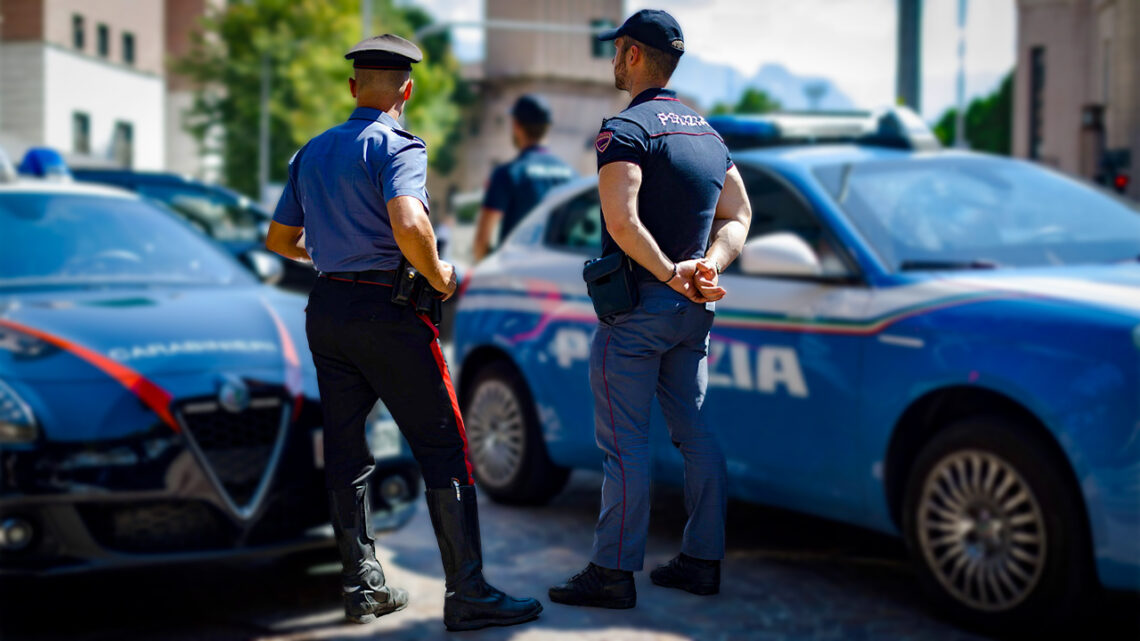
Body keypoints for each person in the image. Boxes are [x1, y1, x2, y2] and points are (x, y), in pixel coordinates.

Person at [265, 34, 542, 631]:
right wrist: (439, 275)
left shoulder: (310, 152)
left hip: (329, 310)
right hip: (389, 311)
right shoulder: (397, 144)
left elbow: (278, 240)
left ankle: (362, 587)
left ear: (352, 86)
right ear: (406, 91)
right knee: (444, 445)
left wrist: (331, 257)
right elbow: (409, 219)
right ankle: (467, 593)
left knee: (346, 446)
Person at [548, 10, 752, 609]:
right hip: (693, 311)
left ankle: (613, 573)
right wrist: (707, 266)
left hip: (640, 308)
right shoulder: (708, 136)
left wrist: (668, 273)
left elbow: (621, 219)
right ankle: (701, 560)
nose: (613, 60)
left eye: (617, 51)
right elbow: (739, 215)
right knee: (697, 434)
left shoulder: (626, 129)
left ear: (634, 56)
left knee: (625, 445)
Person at [473, 94, 576, 262]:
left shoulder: (508, 174)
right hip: (557, 278)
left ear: (516, 125)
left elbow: (481, 242)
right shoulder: (571, 176)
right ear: (547, 127)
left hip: (516, 278)